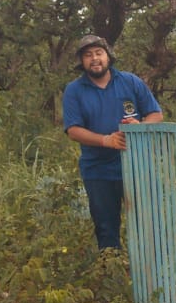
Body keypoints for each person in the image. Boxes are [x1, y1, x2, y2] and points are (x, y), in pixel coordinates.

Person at [62, 34, 163, 250]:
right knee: (106, 229)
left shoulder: (130, 81)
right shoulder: (74, 90)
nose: (94, 59)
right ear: (82, 61)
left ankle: (149, 268)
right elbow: (73, 130)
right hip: (98, 170)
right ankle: (111, 267)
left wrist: (140, 126)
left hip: (136, 166)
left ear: (108, 56)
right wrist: (106, 140)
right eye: (88, 55)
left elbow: (156, 114)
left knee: (147, 224)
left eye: (99, 53)